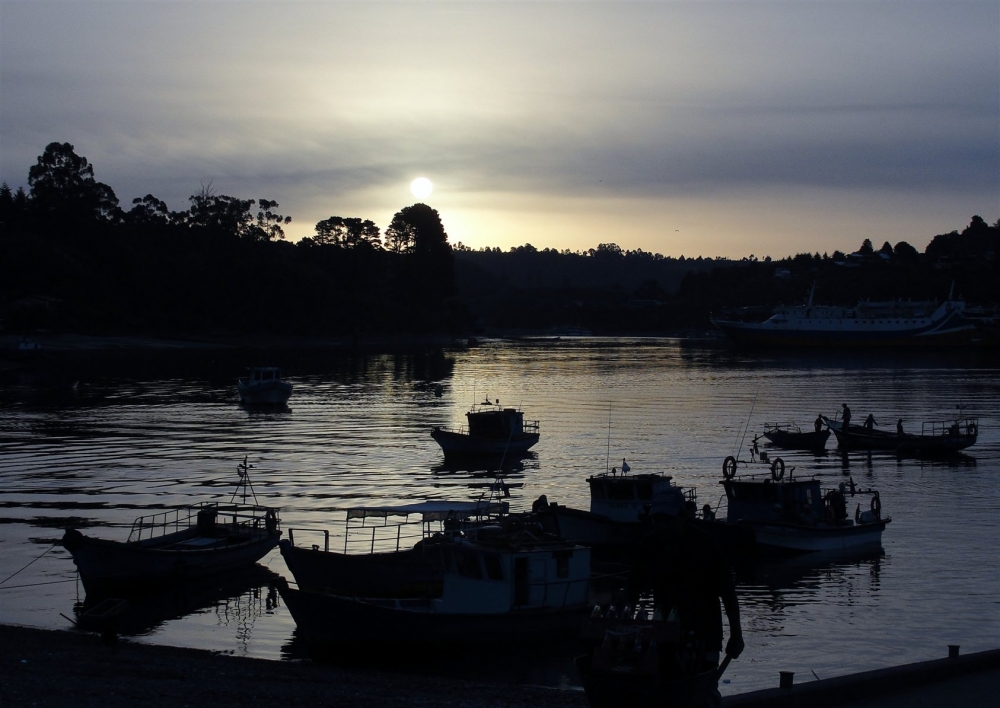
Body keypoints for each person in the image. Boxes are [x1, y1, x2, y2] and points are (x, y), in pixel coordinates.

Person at [630, 490, 744, 708]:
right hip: (663, 633)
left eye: (667, 519)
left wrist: (736, 634)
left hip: (705, 633)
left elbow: (728, 592)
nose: (661, 525)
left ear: (682, 517)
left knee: (703, 692)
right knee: (666, 688)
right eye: (657, 519)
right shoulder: (649, 546)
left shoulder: (706, 545)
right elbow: (633, 589)